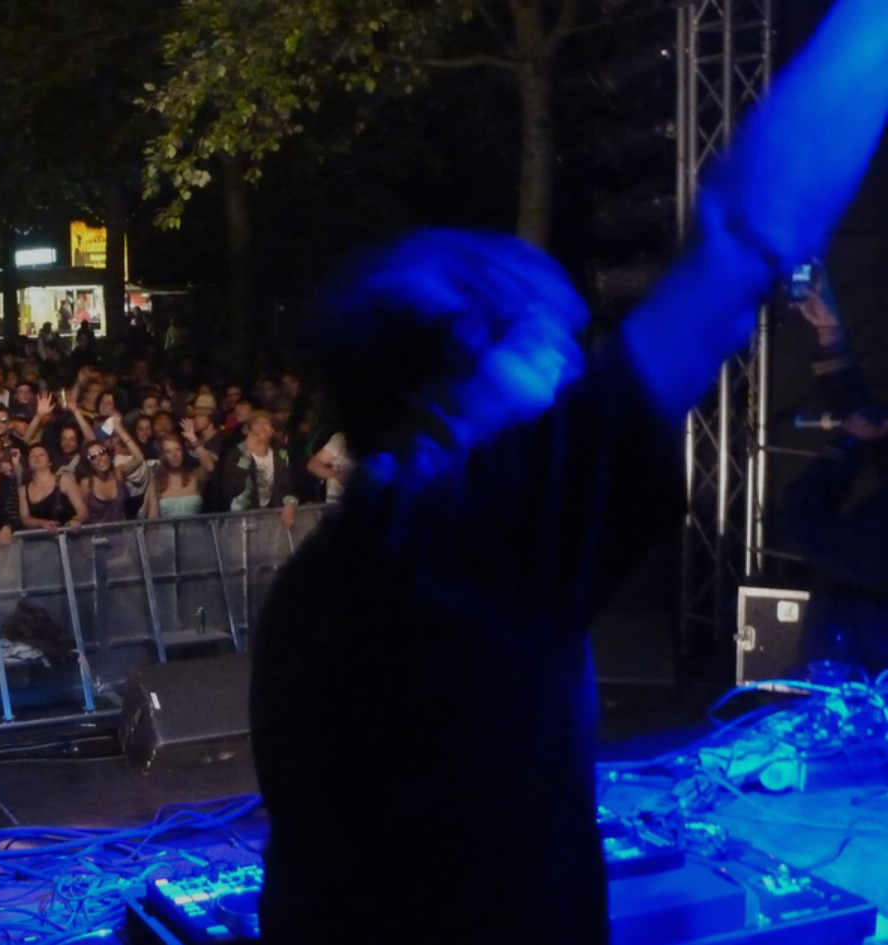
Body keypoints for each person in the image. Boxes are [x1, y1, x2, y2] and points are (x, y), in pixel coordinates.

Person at [251, 3, 888, 939]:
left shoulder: (329, 574)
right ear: (460, 366)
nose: (569, 373)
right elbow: (744, 240)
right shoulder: (471, 541)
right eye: (546, 344)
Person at [780, 265, 888, 672]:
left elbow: (806, 522)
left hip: (861, 681)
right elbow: (871, 422)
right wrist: (831, 337)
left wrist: (844, 447)